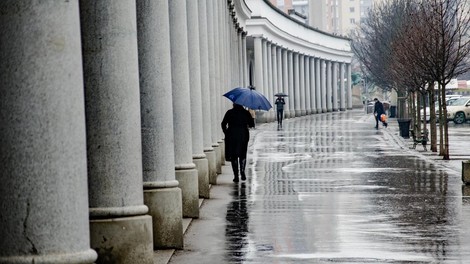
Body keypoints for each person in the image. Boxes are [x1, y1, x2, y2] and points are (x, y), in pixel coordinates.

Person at [221, 104, 255, 182]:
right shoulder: (246, 113)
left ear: (234, 104)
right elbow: (251, 125)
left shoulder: (229, 112)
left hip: (232, 135)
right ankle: (242, 172)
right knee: (243, 154)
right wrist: (252, 116)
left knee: (234, 156)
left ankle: (236, 176)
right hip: (243, 135)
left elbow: (223, 124)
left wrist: (226, 132)